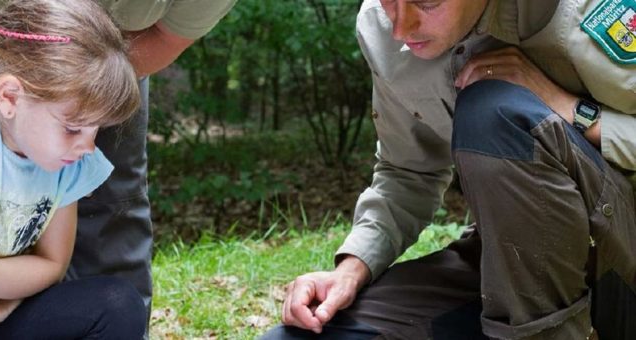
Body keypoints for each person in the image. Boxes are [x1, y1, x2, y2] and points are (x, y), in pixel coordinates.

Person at [263, 0, 636, 339]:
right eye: (389, 0)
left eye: (426, 2)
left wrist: (570, 108)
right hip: (515, 266)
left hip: (621, 258)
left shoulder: (585, 8)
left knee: (494, 112)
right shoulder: (381, 30)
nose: (401, 29)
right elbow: (408, 171)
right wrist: (352, 267)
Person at [0, 0, 237, 319]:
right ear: (9, 97)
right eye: (73, 129)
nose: (89, 147)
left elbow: (52, 265)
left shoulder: (63, 159)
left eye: (95, 130)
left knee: (117, 303)